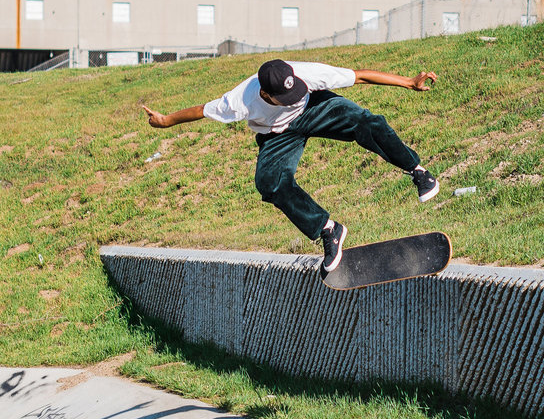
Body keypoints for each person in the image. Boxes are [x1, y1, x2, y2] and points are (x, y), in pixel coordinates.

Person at [143, 59, 439, 273]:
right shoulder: (238, 101)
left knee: (367, 122)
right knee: (269, 182)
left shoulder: (307, 74)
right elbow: (199, 111)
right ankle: (328, 230)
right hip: (277, 134)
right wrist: (165, 120)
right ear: (265, 95)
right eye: (283, 98)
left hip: (316, 109)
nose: (290, 98)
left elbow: (360, 76)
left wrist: (409, 83)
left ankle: (418, 171)